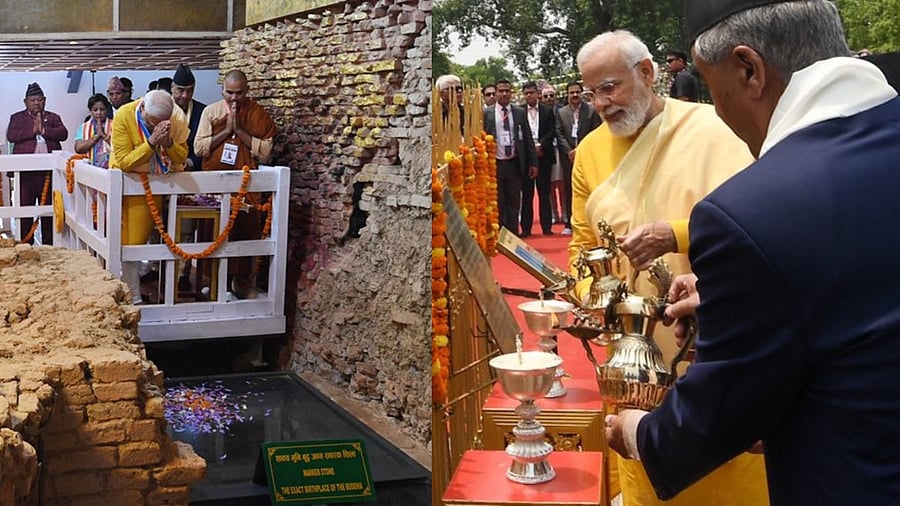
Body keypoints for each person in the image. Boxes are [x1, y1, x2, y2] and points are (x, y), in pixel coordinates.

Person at [604, 1, 900, 504]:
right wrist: (757, 290)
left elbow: (706, 425)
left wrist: (637, 432)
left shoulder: (750, 212)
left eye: (711, 85)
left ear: (748, 70)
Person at [569, 30, 767, 506]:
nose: (601, 102)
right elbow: (582, 247)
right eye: (591, 92)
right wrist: (593, 295)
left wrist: (675, 233)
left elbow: (762, 223)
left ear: (647, 73)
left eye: (610, 86)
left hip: (714, 336)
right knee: (646, 471)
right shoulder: (591, 153)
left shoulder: (717, 128)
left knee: (732, 467)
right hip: (634, 355)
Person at [195, 69, 277, 298]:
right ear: (222, 90)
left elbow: (266, 153)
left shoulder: (257, 114)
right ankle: (213, 283)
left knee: (244, 231)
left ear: (247, 91)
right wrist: (227, 131)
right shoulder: (211, 112)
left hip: (246, 187)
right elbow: (200, 148)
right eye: (229, 93)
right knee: (213, 233)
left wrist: (239, 130)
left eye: (239, 93)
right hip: (215, 187)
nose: (234, 98)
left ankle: (241, 284)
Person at [109, 90, 189, 304]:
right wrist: (152, 142)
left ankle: (143, 293)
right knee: (128, 241)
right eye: (151, 122)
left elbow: (183, 156)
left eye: (160, 123)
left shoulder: (177, 117)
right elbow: (125, 161)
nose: (155, 126)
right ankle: (131, 296)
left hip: (161, 184)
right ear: (142, 107)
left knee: (147, 240)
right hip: (128, 183)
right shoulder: (124, 115)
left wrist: (169, 144)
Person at [6, 82, 68, 245]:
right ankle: (25, 243)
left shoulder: (53, 117)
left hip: (48, 173)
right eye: (33, 100)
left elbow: (63, 134)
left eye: (39, 100)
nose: (36, 103)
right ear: (25, 102)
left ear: (45, 100)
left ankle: (49, 244)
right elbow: (11, 135)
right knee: (25, 209)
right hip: (26, 174)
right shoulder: (17, 118)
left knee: (49, 208)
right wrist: (32, 131)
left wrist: (44, 131)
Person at [483, 79, 538, 237]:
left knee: (514, 201)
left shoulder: (519, 112)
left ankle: (513, 235)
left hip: (514, 163)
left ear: (511, 93)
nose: (504, 94)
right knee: (498, 201)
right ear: (496, 93)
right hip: (495, 163)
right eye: (501, 91)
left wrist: (533, 163)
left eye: (507, 90)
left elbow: (527, 137)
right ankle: (499, 234)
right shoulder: (487, 113)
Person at [555, 81, 601, 235]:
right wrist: (569, 151)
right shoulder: (561, 113)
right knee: (568, 189)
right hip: (568, 158)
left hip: (587, 155)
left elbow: (595, 132)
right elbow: (559, 133)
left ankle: (591, 221)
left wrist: (580, 150)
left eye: (577, 92)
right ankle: (569, 223)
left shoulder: (591, 111)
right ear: (567, 95)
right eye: (571, 92)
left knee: (589, 188)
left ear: (582, 93)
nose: (574, 95)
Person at [519, 81, 556, 236]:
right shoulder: (519, 111)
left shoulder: (547, 111)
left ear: (537, 94)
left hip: (544, 155)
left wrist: (541, 145)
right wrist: (530, 149)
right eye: (526, 93)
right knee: (526, 194)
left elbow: (552, 131)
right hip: (526, 158)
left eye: (532, 92)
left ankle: (547, 227)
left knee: (544, 192)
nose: (529, 95)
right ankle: (526, 229)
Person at [171, 64, 206, 171]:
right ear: (172, 88)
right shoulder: (161, 108)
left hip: (193, 168)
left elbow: (206, 143)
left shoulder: (202, 111)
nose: (185, 95)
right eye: (180, 90)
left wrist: (191, 161)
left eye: (190, 90)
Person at [73, 93, 112, 168]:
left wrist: (103, 135)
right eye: (95, 110)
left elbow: (119, 146)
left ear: (107, 110)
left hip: (111, 168)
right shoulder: (83, 127)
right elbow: (78, 148)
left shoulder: (115, 124)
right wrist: (96, 136)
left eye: (102, 109)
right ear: (90, 111)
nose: (99, 113)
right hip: (89, 169)